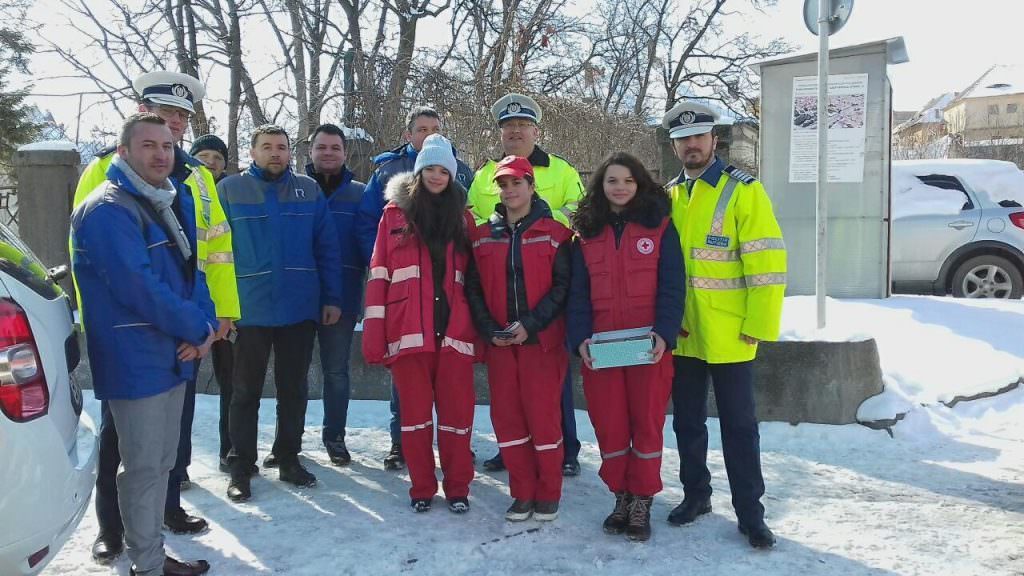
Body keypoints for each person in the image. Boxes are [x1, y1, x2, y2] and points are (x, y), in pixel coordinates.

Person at [73, 71, 239, 564]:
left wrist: (212, 324)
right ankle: (119, 537)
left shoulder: (190, 181)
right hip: (135, 343)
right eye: (153, 136)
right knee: (128, 454)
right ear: (128, 145)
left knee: (163, 458)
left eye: (176, 127)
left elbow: (204, 260)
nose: (165, 144)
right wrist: (198, 326)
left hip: (181, 342)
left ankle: (156, 536)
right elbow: (131, 282)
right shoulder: (103, 186)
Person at [661, 101, 786, 549]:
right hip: (684, 333)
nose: (691, 145)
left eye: (699, 136)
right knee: (687, 424)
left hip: (733, 332)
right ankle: (696, 496)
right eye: (683, 139)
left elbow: (769, 263)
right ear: (675, 145)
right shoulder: (671, 195)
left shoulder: (744, 191)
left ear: (715, 140)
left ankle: (751, 513)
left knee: (739, 427)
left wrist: (759, 322)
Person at [217, 125, 343, 502]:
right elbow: (214, 255)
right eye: (267, 147)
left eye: (282, 148)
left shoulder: (309, 190)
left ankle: (288, 457)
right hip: (248, 308)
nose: (275, 153)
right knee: (244, 392)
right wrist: (221, 307)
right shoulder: (230, 191)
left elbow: (327, 247)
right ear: (252, 152)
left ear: (291, 153)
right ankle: (241, 466)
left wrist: (331, 298)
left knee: (293, 389)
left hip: (298, 308)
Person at [566, 152, 685, 542]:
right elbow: (577, 294)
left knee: (646, 423)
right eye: (612, 181)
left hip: (646, 347)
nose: (620, 188)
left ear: (640, 185)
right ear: (600, 186)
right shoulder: (584, 234)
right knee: (610, 424)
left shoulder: (661, 227)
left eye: (628, 181)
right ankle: (621, 494)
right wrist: (580, 337)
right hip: (602, 348)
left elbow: (672, 286)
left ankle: (642, 500)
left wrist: (665, 334)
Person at [468, 93, 585, 477]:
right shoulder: (485, 174)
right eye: (508, 126)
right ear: (500, 131)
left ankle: (564, 448)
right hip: (499, 284)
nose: (515, 131)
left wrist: (545, 231)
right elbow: (473, 220)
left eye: (522, 125)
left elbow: (578, 215)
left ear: (536, 129)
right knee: (508, 390)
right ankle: (512, 449)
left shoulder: (562, 170)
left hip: (548, 278)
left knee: (552, 382)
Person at [355, 106, 474, 471]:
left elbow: (475, 280)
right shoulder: (393, 215)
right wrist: (375, 336)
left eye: (443, 170)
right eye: (429, 169)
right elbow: (379, 276)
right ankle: (421, 485)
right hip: (408, 331)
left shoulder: (464, 217)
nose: (436, 176)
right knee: (413, 417)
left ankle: (458, 486)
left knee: (456, 420)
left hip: (453, 332)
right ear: (417, 170)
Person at [465, 155, 572, 522]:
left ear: (531, 185)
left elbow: (562, 289)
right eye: (504, 184)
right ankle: (522, 492)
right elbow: (473, 290)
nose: (510, 190)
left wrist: (531, 324)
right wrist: (487, 328)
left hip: (540, 343)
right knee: (508, 421)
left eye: (517, 183)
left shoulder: (557, 233)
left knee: (543, 421)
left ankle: (548, 493)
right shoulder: (482, 236)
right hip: (500, 345)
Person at [305, 123, 367, 465]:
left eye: (335, 148)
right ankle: (288, 442)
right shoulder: (294, 189)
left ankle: (335, 437)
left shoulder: (360, 194)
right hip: (298, 296)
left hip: (342, 298)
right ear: (310, 151)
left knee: (336, 371)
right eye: (321, 147)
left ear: (345, 153)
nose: (328, 153)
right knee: (293, 374)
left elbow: (370, 246)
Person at [188, 133, 238, 473]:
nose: (210, 162)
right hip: (189, 306)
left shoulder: (233, 193)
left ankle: (230, 449)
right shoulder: (183, 189)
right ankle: (178, 464)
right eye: (203, 155)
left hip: (225, 307)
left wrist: (230, 310)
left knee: (232, 384)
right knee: (182, 388)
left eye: (217, 157)